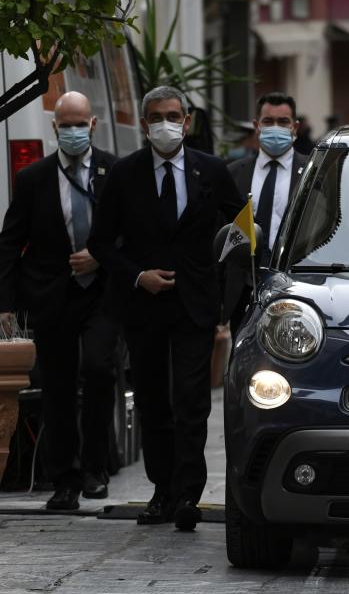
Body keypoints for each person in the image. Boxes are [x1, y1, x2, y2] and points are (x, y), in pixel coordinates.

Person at [88, 86, 244, 530]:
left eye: (173, 115)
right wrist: (139, 275)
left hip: (195, 305)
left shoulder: (211, 171)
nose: (165, 124)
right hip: (144, 305)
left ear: (187, 120)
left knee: (191, 402)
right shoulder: (124, 174)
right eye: (156, 116)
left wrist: (221, 278)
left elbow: (241, 226)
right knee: (154, 402)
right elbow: (101, 242)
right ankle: (162, 491)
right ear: (143, 123)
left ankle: (188, 496)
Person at [0, 92, 120, 510]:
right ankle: (64, 479)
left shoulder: (113, 171)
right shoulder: (34, 178)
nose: (72, 131)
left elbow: (129, 231)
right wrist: (6, 302)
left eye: (79, 123)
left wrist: (100, 257)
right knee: (58, 387)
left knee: (99, 369)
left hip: (102, 293)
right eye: (64, 124)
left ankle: (95, 468)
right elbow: (11, 239)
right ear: (55, 127)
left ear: (93, 124)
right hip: (53, 295)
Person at [225, 93, 310, 331]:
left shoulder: (312, 174)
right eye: (268, 121)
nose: (275, 128)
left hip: (295, 286)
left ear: (295, 127)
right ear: (256, 126)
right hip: (243, 289)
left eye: (283, 122)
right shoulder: (233, 173)